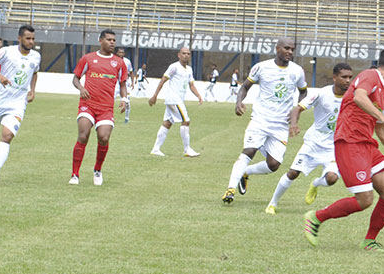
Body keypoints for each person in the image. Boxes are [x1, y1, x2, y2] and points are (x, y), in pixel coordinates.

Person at [303, 47, 384, 252]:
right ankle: (316, 217)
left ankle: (369, 240)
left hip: (367, 144)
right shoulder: (370, 76)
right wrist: (382, 116)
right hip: (350, 143)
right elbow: (359, 97)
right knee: (364, 200)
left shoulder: (383, 91)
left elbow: (380, 128)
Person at [222, 39, 307, 204]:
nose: (290, 52)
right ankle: (230, 189)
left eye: (292, 49)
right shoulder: (261, 67)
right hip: (260, 119)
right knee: (249, 150)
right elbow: (245, 87)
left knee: (274, 164)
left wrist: (297, 109)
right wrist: (239, 102)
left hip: (281, 124)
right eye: (286, 48)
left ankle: (246, 173)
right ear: (277, 49)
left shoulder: (297, 71)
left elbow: (304, 92)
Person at [266, 62, 354, 214]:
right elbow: (297, 109)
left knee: (332, 179)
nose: (348, 80)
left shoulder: (353, 97)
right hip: (314, 142)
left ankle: (315, 184)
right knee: (293, 173)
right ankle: (272, 204)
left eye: (350, 77)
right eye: (344, 77)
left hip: (334, 146)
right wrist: (294, 124)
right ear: (334, 77)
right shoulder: (322, 93)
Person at [0, 25, 40, 183]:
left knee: (7, 136)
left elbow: (35, 72)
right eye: (28, 38)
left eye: (33, 39)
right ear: (19, 38)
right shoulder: (6, 51)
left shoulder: (36, 56)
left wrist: (33, 90)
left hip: (18, 103)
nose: (31, 42)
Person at [70, 29, 128, 186]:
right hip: (87, 105)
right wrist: (81, 88)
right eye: (109, 40)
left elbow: (122, 84)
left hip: (106, 108)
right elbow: (75, 78)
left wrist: (124, 99)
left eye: (114, 40)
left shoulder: (119, 63)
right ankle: (75, 174)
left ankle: (97, 170)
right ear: (100, 41)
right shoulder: (88, 59)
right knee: (83, 135)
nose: (112, 43)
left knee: (103, 138)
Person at [148, 45, 203, 157]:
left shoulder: (189, 69)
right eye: (183, 53)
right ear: (179, 55)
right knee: (186, 121)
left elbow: (191, 84)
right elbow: (163, 79)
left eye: (188, 54)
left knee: (167, 123)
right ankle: (187, 150)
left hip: (177, 100)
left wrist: (198, 95)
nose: (186, 55)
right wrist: (155, 95)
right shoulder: (174, 67)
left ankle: (155, 149)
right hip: (174, 99)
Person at [116, 47, 133, 122]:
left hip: (125, 82)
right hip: (115, 83)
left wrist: (132, 82)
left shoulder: (127, 61)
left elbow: (131, 72)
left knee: (127, 101)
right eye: (120, 52)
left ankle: (126, 118)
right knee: (110, 100)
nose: (121, 54)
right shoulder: (113, 60)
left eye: (122, 53)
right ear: (117, 53)